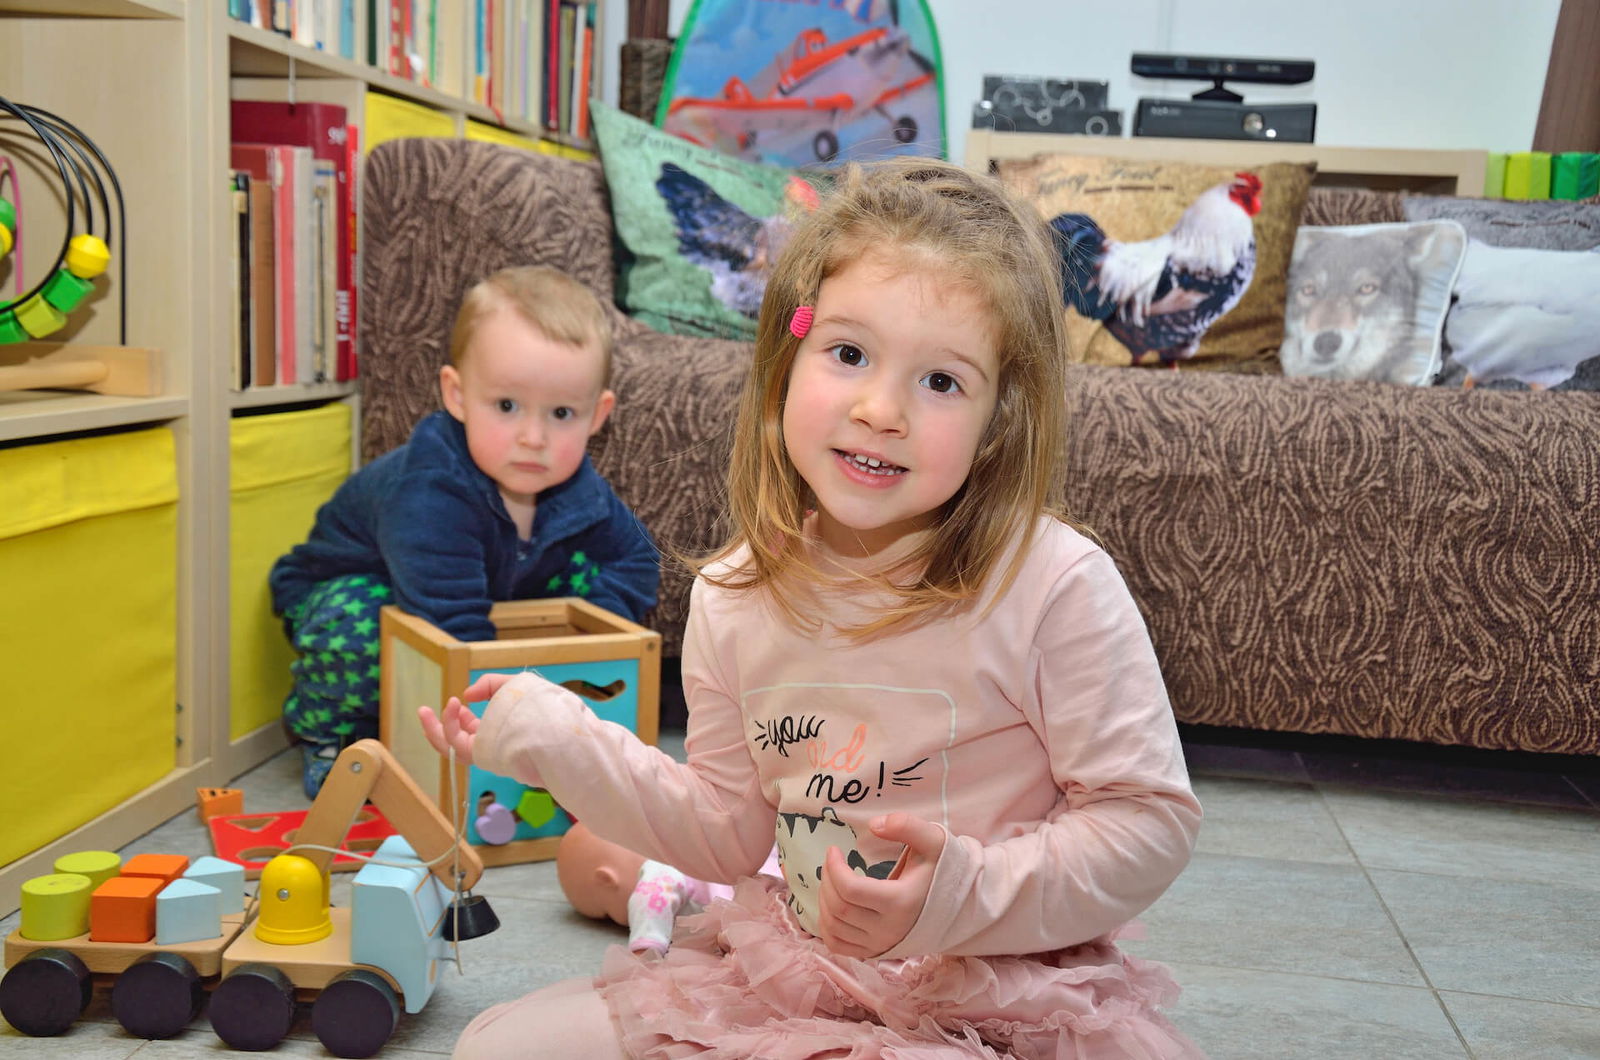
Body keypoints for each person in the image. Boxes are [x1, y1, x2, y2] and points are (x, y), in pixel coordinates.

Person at [419, 158, 1204, 1058]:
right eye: (849, 354)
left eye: (941, 381)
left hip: (994, 990)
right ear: (786, 362)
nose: (880, 409)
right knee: (494, 1048)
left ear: (999, 421)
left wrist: (960, 893)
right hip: (798, 975)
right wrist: (563, 742)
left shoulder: (1053, 585)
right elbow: (723, 833)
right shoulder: (733, 597)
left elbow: (1147, 820)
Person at [271, 265, 659, 797]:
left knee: (577, 570)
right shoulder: (432, 490)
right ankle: (329, 734)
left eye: (562, 413)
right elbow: (454, 625)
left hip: (481, 594)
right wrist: (511, 710)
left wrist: (586, 636)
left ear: (597, 415)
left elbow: (637, 558)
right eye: (507, 406)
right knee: (359, 625)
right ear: (456, 395)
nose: (533, 437)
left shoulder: (578, 488)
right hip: (361, 592)